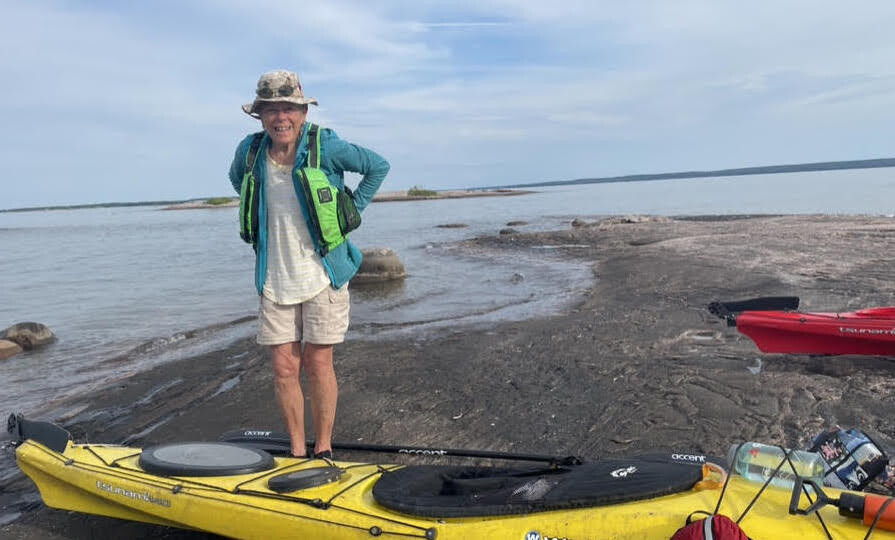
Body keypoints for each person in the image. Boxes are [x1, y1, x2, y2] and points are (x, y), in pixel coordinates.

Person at [229, 70, 389, 458]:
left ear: (302, 113)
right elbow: (238, 182)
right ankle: (297, 452)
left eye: (288, 109)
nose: (280, 118)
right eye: (271, 110)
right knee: (285, 370)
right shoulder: (249, 152)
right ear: (260, 116)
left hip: (324, 275)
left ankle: (324, 447)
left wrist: (351, 209)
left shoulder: (326, 146)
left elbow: (377, 166)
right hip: (274, 278)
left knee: (319, 365)